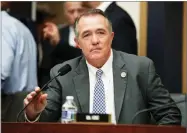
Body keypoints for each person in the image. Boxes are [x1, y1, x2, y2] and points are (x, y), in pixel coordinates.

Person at [23, 9, 181, 125]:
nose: (95, 40)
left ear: (111, 37)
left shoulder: (140, 68)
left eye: (100, 32)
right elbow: (46, 120)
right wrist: (33, 113)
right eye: (86, 35)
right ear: (77, 43)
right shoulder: (63, 73)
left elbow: (170, 115)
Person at [1, 6, 37, 121]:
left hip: (10, 105)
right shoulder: (19, 26)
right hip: (25, 103)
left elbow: (2, 71)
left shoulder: (2, 26)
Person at [39, 2, 86, 86]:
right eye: (71, 12)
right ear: (65, 13)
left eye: (80, 10)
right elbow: (47, 68)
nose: (76, 15)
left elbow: (85, 57)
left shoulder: (95, 34)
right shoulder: (56, 34)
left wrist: (59, 43)